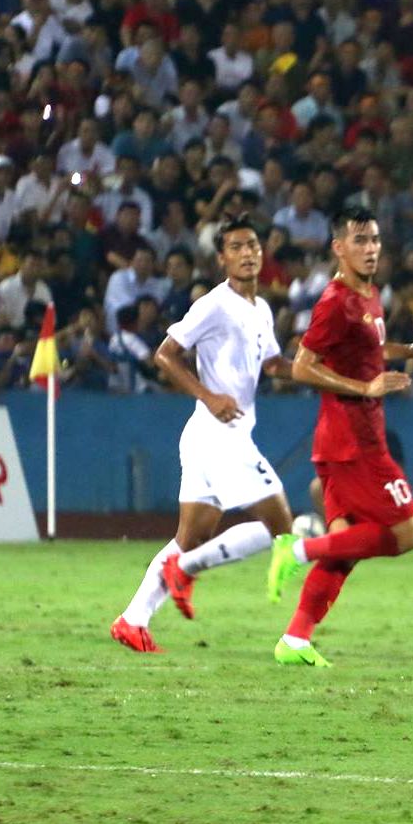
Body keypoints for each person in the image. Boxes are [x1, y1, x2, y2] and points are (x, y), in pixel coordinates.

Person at [261, 206, 413, 667]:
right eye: (361, 240)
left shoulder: (369, 295)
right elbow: (302, 367)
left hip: (350, 439)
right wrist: (364, 387)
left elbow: (368, 347)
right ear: (338, 247)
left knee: (347, 548)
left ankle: (296, 639)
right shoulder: (334, 300)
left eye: (375, 240)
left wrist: (411, 350)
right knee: (407, 533)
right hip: (353, 441)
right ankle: (298, 548)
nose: (371, 249)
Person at [111, 218, 295, 653]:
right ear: (222, 258)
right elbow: (166, 355)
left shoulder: (261, 309)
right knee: (281, 527)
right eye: (237, 247)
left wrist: (319, 368)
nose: (248, 253)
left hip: (206, 436)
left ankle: (133, 619)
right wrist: (209, 395)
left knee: (190, 537)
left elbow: (274, 365)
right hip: (218, 434)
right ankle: (186, 570)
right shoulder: (215, 304)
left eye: (253, 244)